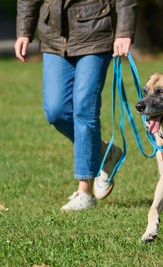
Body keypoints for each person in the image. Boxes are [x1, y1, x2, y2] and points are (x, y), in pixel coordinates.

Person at [14, 0, 138, 210]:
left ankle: (84, 192)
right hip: (54, 32)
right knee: (56, 111)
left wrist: (124, 29)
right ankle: (104, 151)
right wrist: (24, 31)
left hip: (96, 28)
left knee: (84, 108)